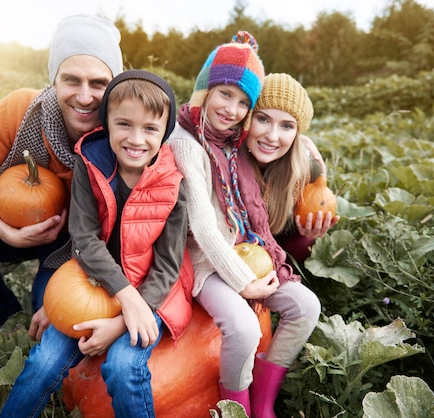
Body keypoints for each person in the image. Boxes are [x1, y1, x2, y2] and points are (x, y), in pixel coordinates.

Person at [0, 69, 193, 418]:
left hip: (153, 291)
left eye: (150, 128)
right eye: (124, 124)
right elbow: (84, 241)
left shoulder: (174, 184)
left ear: (164, 132)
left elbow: (169, 265)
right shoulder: (89, 167)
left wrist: (124, 318)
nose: (136, 139)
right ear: (106, 124)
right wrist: (102, 297)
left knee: (123, 367)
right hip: (96, 283)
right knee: (43, 362)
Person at [0, 14, 123, 338]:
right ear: (54, 80)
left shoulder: (124, 132)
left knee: (57, 323)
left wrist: (64, 298)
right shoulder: (21, 110)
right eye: (72, 80)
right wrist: (7, 233)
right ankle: (3, 324)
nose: (85, 96)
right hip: (17, 224)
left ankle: (39, 313)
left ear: (114, 85)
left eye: (98, 83)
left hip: (80, 246)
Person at [167, 31, 321, 418]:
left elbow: (285, 138)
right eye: (224, 94)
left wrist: (311, 154)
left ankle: (265, 401)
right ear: (204, 90)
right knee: (244, 327)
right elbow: (201, 224)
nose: (232, 109)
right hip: (206, 264)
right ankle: (236, 407)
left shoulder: (232, 139)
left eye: (243, 102)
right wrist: (243, 283)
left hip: (244, 250)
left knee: (306, 306)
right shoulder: (187, 142)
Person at [244, 73, 340, 264]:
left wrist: (307, 228)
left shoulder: (307, 169)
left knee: (304, 242)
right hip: (237, 247)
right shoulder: (228, 158)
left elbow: (311, 208)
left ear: (297, 133)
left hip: (277, 242)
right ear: (247, 119)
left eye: (286, 126)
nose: (272, 136)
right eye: (263, 119)